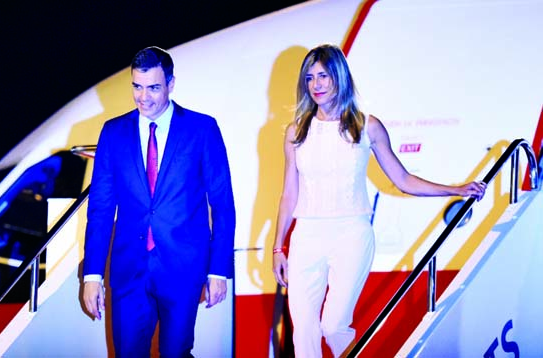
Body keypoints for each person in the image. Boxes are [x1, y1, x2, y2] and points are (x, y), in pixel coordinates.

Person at [271, 43, 486, 358]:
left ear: (340, 78)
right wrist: (279, 246)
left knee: (333, 326)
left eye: (324, 76)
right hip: (306, 235)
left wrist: (455, 188)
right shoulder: (296, 133)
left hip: (351, 234)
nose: (316, 85)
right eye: (310, 78)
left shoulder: (366, 126)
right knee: (303, 333)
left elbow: (403, 180)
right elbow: (289, 193)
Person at [82, 46, 236, 357]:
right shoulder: (113, 133)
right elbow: (100, 210)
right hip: (129, 271)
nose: (143, 97)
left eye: (153, 87)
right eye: (137, 87)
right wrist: (92, 275)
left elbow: (222, 204)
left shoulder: (202, 129)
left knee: (176, 353)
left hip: (183, 267)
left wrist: (219, 269)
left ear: (171, 84)